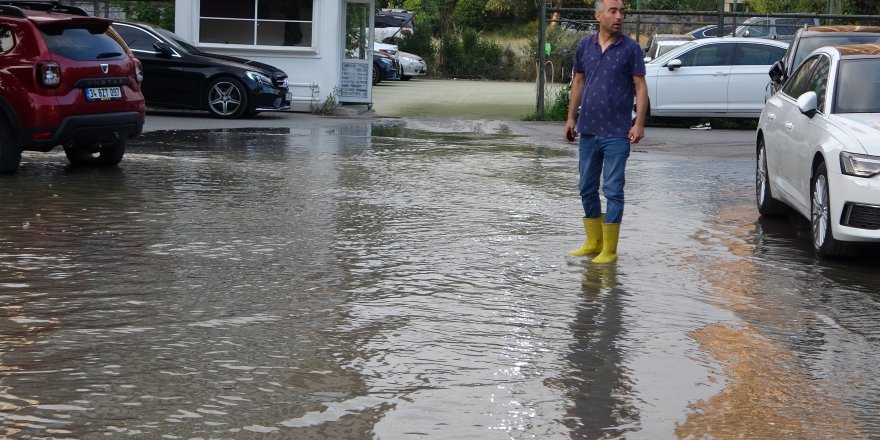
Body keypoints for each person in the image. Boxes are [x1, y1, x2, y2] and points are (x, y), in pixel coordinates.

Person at [564, 0, 648, 264]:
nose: (619, 16)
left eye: (622, 12)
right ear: (598, 15)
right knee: (586, 188)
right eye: (614, 11)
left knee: (612, 189)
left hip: (617, 133)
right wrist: (570, 118)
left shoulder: (631, 49)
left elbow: (641, 87)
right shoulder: (584, 46)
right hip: (588, 130)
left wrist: (639, 123)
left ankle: (609, 250)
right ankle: (593, 242)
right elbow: (578, 81)